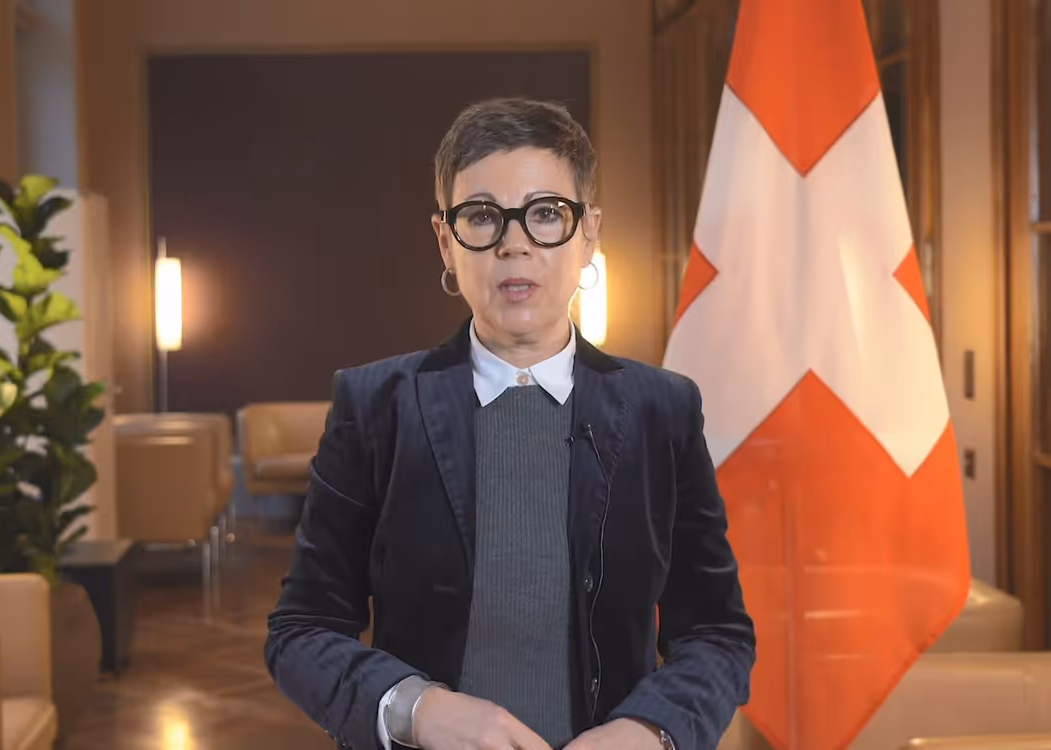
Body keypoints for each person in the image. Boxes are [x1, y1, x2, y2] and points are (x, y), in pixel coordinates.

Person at [265, 97, 755, 750]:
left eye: (547, 214)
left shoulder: (661, 411)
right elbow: (303, 629)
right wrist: (418, 710)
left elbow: (716, 634)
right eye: (483, 217)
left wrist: (650, 731)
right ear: (446, 239)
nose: (514, 242)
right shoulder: (374, 405)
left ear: (589, 236)